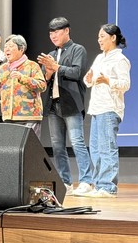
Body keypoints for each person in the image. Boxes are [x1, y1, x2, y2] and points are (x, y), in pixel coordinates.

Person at [36, 17, 93, 197]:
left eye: (57, 32)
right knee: (57, 146)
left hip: (71, 103)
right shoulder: (51, 55)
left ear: (67, 31)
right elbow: (44, 82)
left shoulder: (77, 49)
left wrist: (57, 67)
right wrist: (47, 72)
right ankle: (65, 182)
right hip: (54, 104)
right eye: (51, 33)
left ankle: (86, 180)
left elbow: (77, 72)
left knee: (77, 142)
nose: (53, 36)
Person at [76, 24, 131, 198]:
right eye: (98, 37)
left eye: (102, 36)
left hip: (110, 107)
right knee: (96, 149)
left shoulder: (120, 59)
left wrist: (108, 80)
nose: (99, 40)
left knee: (107, 148)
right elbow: (89, 80)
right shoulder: (100, 58)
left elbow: (126, 84)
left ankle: (108, 187)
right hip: (97, 107)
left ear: (113, 38)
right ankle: (99, 184)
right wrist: (88, 79)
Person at [0, 34, 46, 137]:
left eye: (11, 46)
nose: (7, 49)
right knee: (11, 147)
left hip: (29, 116)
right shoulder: (2, 68)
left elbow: (42, 86)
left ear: (21, 49)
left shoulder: (32, 65)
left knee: (30, 146)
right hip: (8, 117)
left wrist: (22, 78)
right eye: (5, 47)